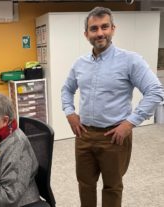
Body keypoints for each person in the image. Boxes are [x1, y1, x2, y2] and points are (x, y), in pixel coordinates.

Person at [61, 7, 164, 207]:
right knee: (85, 184)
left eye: (104, 27)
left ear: (113, 29)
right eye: (94, 28)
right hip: (85, 135)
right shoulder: (79, 64)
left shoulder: (130, 60)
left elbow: (155, 91)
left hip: (115, 136)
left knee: (112, 187)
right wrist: (69, 112)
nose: (100, 33)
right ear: (86, 34)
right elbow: (67, 89)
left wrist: (130, 123)